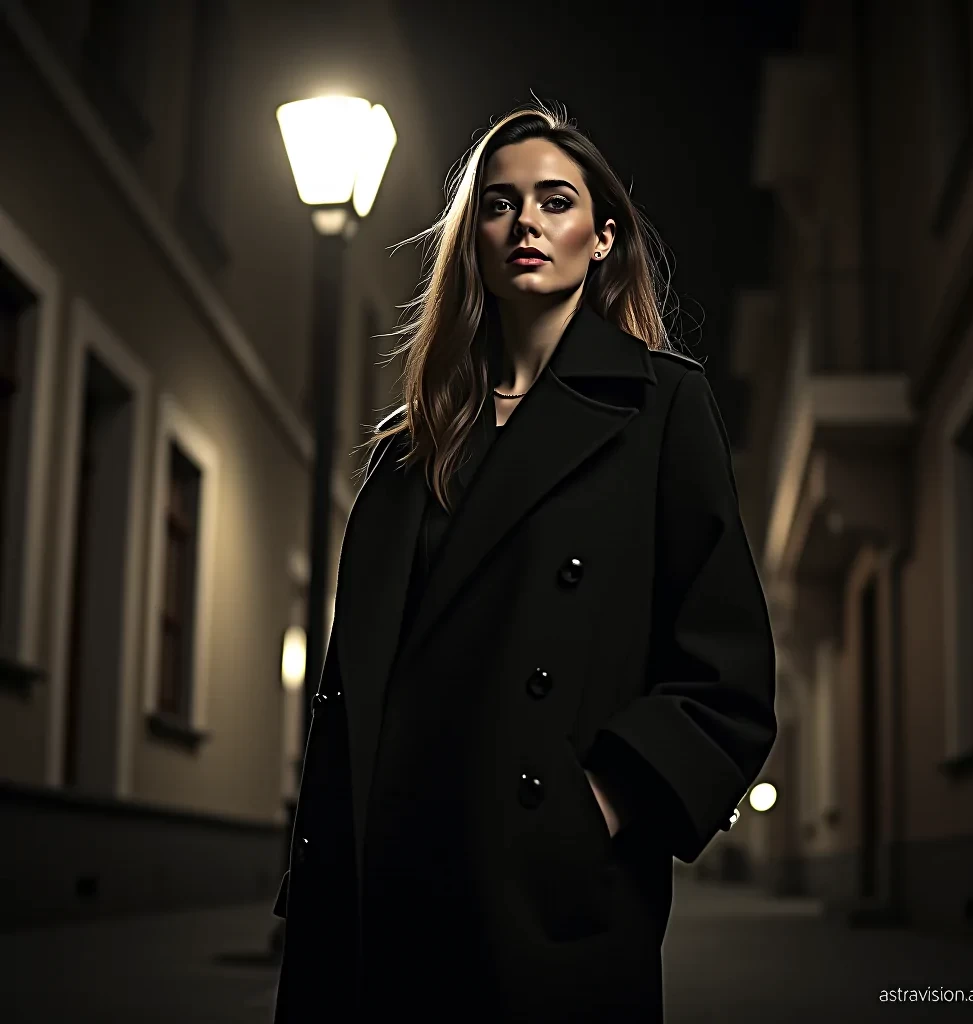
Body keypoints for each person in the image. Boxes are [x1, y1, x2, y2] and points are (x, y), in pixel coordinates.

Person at [272, 100, 777, 1024]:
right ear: (475, 244)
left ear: (601, 236)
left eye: (555, 200)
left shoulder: (662, 409)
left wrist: (598, 805)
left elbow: (728, 676)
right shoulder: (408, 450)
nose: (528, 223)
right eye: (501, 205)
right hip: (383, 883)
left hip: (543, 894)